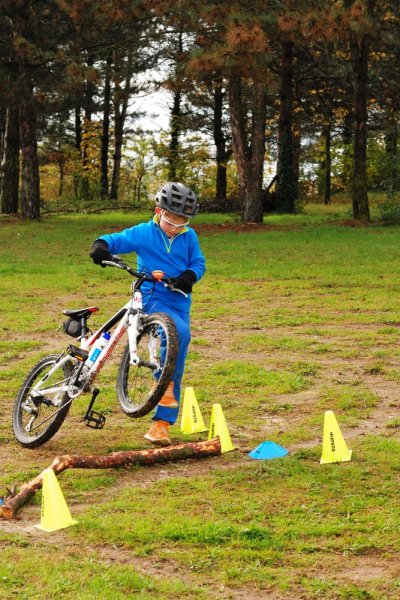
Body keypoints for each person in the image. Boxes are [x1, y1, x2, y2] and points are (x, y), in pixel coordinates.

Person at [90, 182, 206, 446]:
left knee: (179, 344)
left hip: (178, 301)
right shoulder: (144, 232)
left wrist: (190, 275)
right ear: (158, 211)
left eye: (182, 223)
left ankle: (161, 422)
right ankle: (162, 402)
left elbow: (198, 262)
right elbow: (117, 240)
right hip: (152, 297)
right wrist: (101, 245)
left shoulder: (189, 237)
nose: (176, 227)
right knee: (178, 332)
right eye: (171, 221)